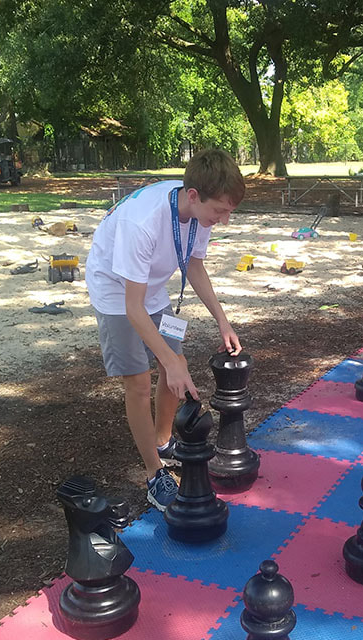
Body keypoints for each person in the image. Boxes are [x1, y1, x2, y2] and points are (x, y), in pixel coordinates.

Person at [85, 148, 245, 511]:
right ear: (193, 196)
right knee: (139, 381)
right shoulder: (142, 223)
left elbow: (194, 265)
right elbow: (132, 307)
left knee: (176, 360)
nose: (224, 220)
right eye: (220, 211)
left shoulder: (197, 212)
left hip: (151, 287)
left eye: (229, 212)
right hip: (116, 289)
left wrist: (223, 320)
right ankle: (154, 473)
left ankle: (161, 439)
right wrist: (169, 361)